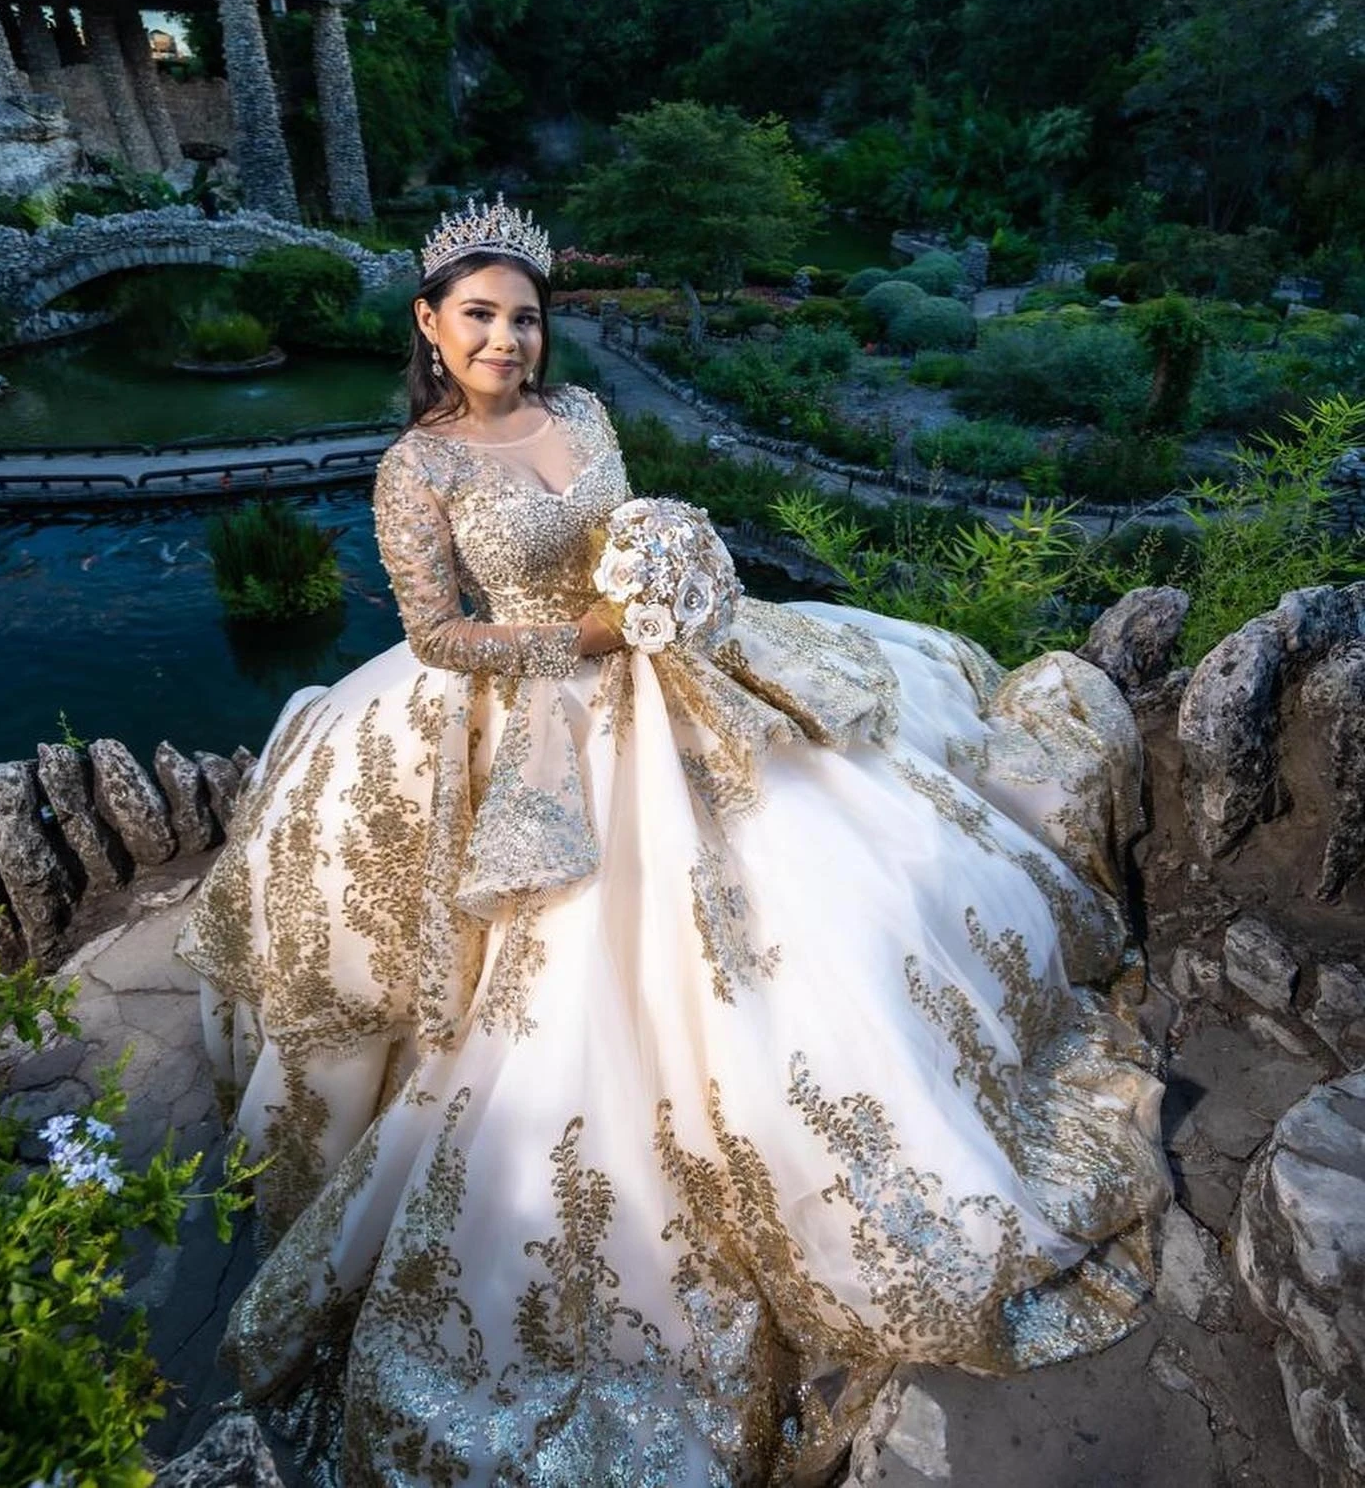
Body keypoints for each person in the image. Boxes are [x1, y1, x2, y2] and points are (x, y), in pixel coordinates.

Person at [176, 197, 1169, 1488]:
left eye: (524, 316)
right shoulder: (414, 468)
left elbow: (631, 529)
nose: (507, 339)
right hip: (532, 708)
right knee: (554, 986)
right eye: (478, 314)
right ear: (429, 323)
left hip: (656, 673)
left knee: (819, 853)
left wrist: (668, 573)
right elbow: (434, 635)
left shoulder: (583, 413)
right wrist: (580, 640)